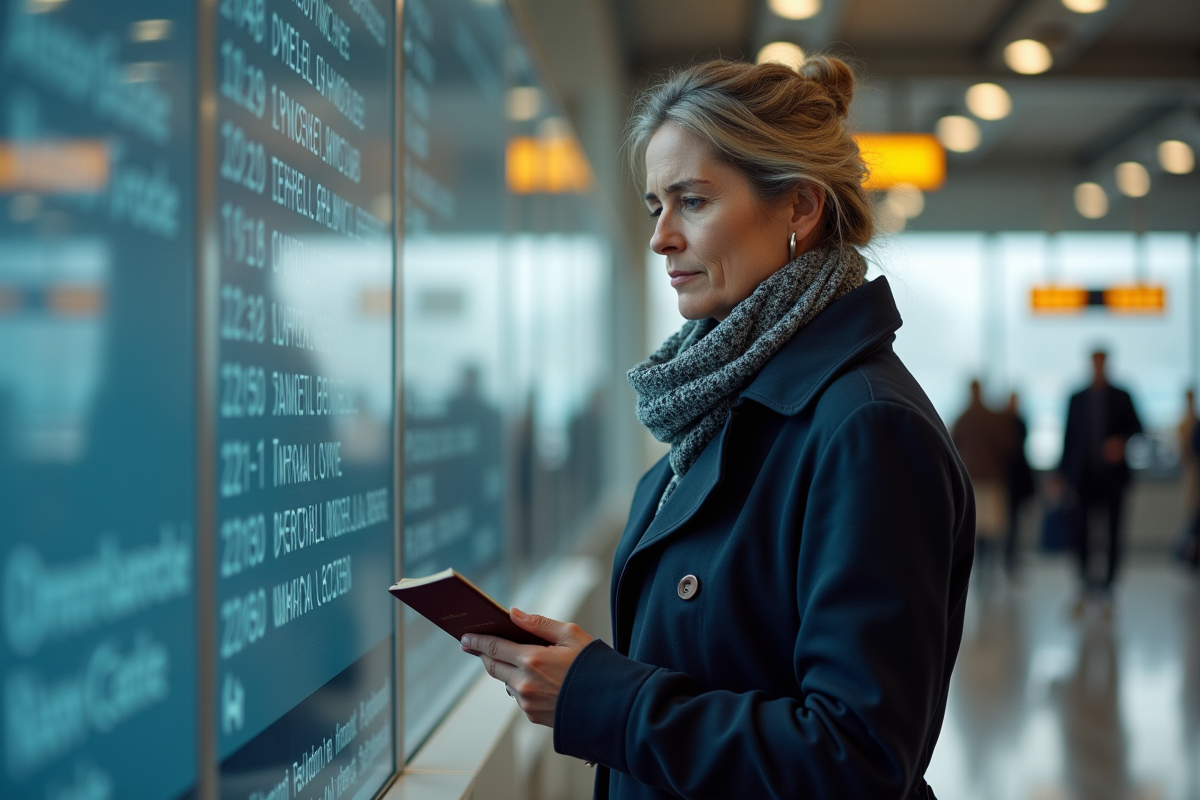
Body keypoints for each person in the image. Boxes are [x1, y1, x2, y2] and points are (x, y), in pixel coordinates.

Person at [459, 57, 974, 799]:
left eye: (692, 202)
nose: (661, 238)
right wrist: (590, 677)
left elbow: (854, 760)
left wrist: (607, 699)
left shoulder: (866, 429)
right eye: (653, 207)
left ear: (800, 208)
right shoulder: (724, 406)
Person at [1059, 349, 1142, 614]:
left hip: (1113, 478)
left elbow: (1138, 427)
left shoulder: (1122, 396)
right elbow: (1068, 438)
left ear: (1106, 364)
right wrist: (1061, 474)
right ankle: (1083, 585)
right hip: (1084, 477)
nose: (1098, 367)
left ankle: (1109, 588)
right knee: (1080, 532)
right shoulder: (1077, 398)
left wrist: (1120, 441)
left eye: (1101, 363)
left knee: (1113, 533)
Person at [952, 380, 1015, 586]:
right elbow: (1007, 444)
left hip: (974, 479)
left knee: (978, 529)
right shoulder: (992, 417)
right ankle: (987, 572)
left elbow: (952, 443)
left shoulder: (964, 417)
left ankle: (980, 573)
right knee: (990, 531)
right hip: (990, 479)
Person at [1003, 391, 1035, 574]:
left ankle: (1011, 558)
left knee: (1014, 523)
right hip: (1008, 480)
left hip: (1016, 481)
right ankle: (1008, 559)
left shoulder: (1018, 422)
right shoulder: (1008, 423)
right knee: (1006, 524)